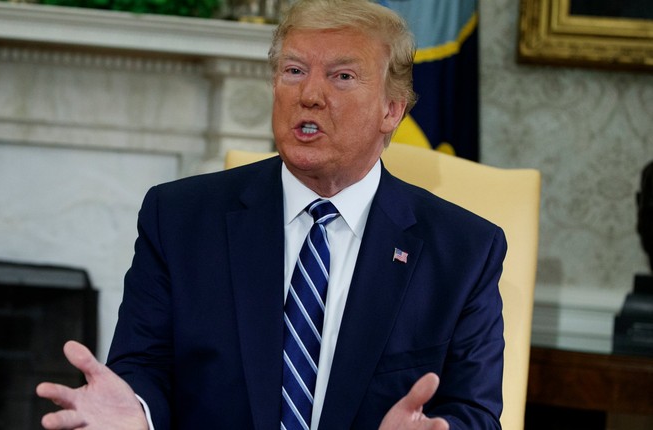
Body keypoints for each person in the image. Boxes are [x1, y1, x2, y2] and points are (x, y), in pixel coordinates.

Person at [36, 0, 505, 429]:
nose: (310, 95)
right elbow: (145, 366)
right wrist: (137, 413)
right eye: (294, 70)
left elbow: (474, 411)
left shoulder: (464, 251)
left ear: (392, 109)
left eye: (342, 76)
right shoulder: (178, 218)